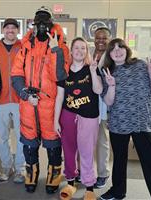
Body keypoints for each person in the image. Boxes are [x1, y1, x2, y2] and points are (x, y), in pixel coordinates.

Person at [100, 38, 151, 200]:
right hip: (119, 123)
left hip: (142, 122)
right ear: (109, 54)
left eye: (120, 47)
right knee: (119, 160)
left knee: (150, 163)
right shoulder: (108, 71)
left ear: (127, 49)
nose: (117, 51)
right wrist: (111, 85)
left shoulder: (139, 65)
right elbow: (108, 101)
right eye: (113, 49)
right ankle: (118, 191)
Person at [11, 6, 69, 194]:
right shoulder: (25, 47)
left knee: (53, 144)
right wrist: (25, 94)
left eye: (46, 22)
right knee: (29, 143)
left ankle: (53, 175)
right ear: (34, 25)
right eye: (39, 23)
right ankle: (32, 173)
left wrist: (55, 50)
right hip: (29, 103)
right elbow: (16, 73)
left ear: (51, 24)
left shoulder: (60, 48)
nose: (42, 27)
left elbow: (61, 76)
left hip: (50, 105)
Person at [55, 37, 103, 200]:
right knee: (68, 150)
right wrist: (55, 121)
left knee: (87, 151)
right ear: (71, 50)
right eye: (76, 48)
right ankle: (70, 183)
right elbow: (59, 98)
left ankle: (89, 186)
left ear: (86, 51)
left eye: (83, 48)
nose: (80, 51)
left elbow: (98, 90)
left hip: (89, 116)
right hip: (68, 115)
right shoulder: (64, 72)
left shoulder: (93, 68)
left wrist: (93, 72)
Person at [0, 18, 25, 184]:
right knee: (2, 136)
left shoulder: (24, 46)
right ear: (3, 30)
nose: (10, 30)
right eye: (7, 27)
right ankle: (6, 166)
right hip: (0, 98)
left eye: (14, 28)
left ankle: (19, 169)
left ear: (17, 30)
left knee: (20, 135)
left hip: (19, 99)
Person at [92, 27, 111, 188]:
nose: (100, 41)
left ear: (109, 40)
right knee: (85, 140)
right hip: (88, 105)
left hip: (104, 104)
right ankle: (83, 171)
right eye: (98, 38)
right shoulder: (89, 55)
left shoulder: (112, 58)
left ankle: (103, 173)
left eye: (104, 38)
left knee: (102, 140)